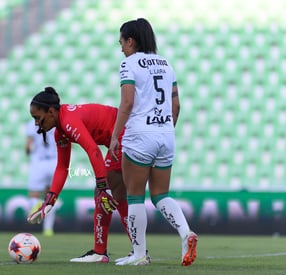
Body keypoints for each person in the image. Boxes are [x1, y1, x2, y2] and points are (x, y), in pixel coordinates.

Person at [109, 18, 198, 266]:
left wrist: (115, 135)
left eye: (122, 42)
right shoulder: (166, 64)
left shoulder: (129, 64)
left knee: (135, 196)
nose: (121, 48)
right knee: (161, 195)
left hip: (140, 135)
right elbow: (176, 104)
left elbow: (126, 103)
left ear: (131, 40)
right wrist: (166, 129)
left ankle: (139, 255)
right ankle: (186, 233)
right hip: (166, 134)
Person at [27, 87, 131, 263]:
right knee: (117, 198)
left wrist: (102, 186)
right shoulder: (60, 130)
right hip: (121, 137)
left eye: (37, 117)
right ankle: (137, 250)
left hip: (125, 135)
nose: (36, 123)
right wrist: (49, 201)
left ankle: (101, 253)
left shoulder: (68, 121)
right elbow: (62, 168)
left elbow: (93, 150)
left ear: (51, 112)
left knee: (103, 195)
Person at [25, 120, 58, 236]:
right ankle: (48, 229)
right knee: (50, 196)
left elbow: (28, 146)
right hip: (54, 162)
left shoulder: (31, 124)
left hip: (39, 162)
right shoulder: (55, 122)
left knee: (34, 193)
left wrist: (28, 152)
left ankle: (37, 203)